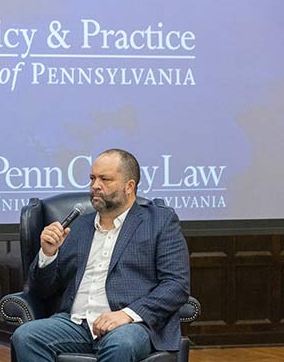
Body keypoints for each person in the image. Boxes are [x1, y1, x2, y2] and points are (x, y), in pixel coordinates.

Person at [11, 149, 190, 362]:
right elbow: (41, 290)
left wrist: (127, 314)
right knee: (26, 336)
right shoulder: (77, 227)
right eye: (92, 178)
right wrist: (48, 254)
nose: (95, 185)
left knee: (121, 343)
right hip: (76, 324)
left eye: (105, 179)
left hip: (132, 326)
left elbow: (176, 285)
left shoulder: (159, 222)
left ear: (129, 186)